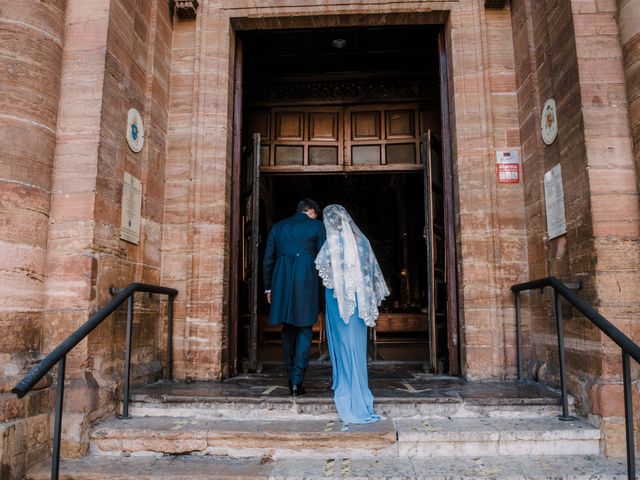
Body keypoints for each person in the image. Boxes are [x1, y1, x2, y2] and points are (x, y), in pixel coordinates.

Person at [315, 204, 390, 423]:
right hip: (359, 302)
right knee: (356, 345)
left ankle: (345, 385)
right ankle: (359, 387)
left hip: (338, 301)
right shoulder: (363, 243)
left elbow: (323, 271)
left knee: (341, 343)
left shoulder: (331, 244)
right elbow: (370, 274)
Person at [263, 198, 326, 396]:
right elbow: (324, 259)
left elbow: (268, 258)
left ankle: (291, 375)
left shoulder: (278, 227)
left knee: (287, 329)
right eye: (316, 213)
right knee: (305, 330)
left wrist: (268, 288)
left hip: (280, 282)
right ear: (312, 211)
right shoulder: (317, 226)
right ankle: (297, 380)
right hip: (306, 282)